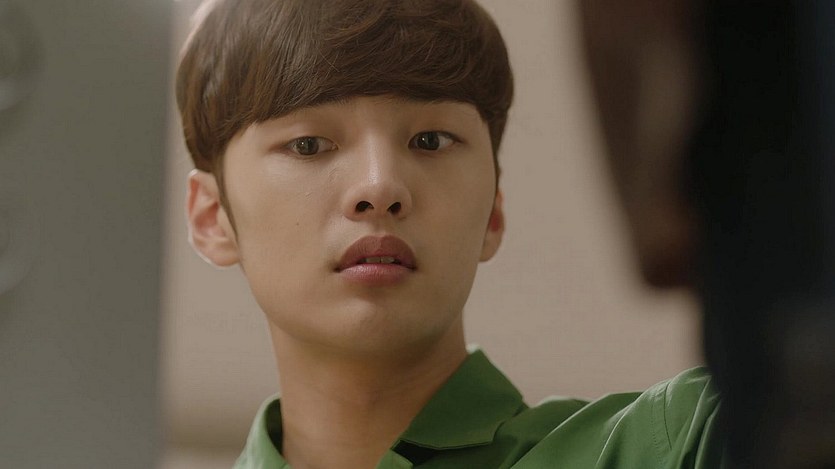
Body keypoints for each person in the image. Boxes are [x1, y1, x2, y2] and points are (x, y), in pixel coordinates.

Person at [176, 0, 724, 467]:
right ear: (211, 216)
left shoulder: (684, 444)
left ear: (493, 212)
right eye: (309, 145)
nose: (380, 186)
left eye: (430, 141)